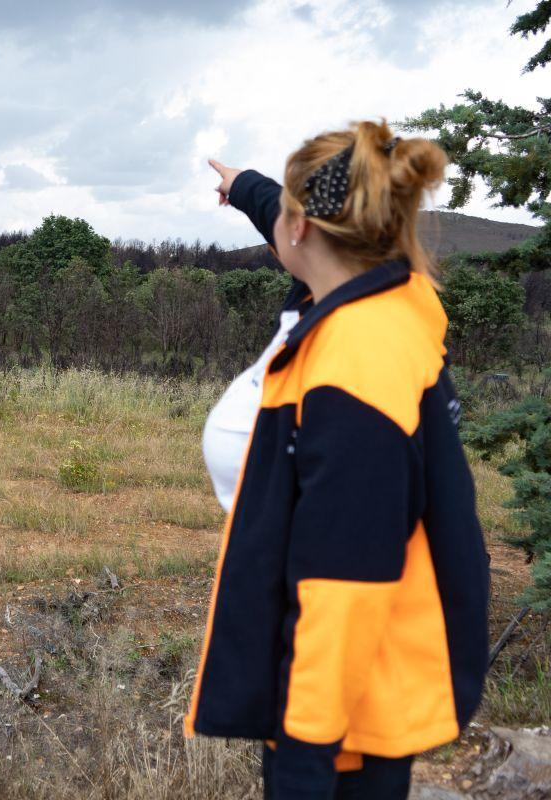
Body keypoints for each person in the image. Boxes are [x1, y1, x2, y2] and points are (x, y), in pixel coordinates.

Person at [185, 119, 490, 800]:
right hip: (361, 686)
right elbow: (291, 228)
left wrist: (302, 757)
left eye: (286, 216)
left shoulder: (356, 366)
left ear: (304, 229)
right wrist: (248, 188)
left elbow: (344, 585)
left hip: (346, 711)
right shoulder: (388, 293)